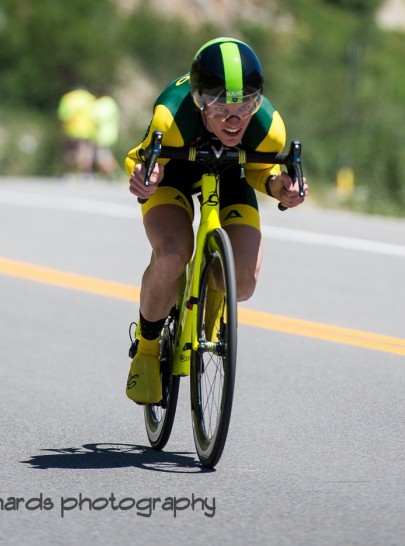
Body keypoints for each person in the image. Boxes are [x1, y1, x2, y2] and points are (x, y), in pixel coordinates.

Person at [124, 37, 307, 404]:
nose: (236, 119)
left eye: (247, 106)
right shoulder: (171, 116)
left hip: (231, 177)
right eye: (221, 108)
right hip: (174, 173)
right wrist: (146, 180)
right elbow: (140, 162)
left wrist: (279, 186)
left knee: (242, 281)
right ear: (199, 101)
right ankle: (146, 345)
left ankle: (210, 284)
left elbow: (261, 171)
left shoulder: (270, 128)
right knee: (173, 254)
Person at [57, 87, 96, 176]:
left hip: (72, 130)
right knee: (86, 152)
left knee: (70, 152)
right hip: (88, 130)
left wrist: (59, 128)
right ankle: (86, 174)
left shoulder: (69, 97)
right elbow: (96, 116)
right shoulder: (90, 98)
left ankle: (67, 173)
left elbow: (63, 115)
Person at [92, 92, 120, 175]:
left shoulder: (99, 104)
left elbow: (96, 118)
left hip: (101, 134)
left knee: (102, 156)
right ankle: (114, 172)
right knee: (108, 154)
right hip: (112, 133)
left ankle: (114, 173)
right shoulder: (112, 103)